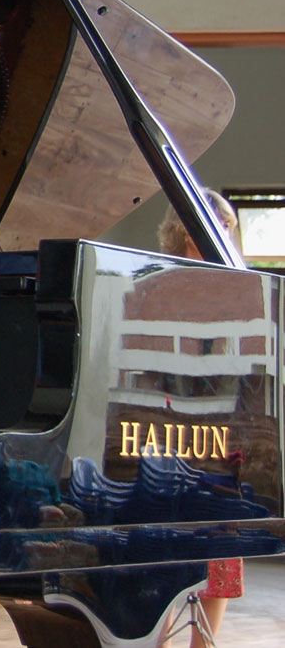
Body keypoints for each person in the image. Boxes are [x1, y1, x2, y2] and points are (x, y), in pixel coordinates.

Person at [158, 189, 246, 648]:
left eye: (229, 227)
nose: (224, 234)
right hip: (169, 429)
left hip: (223, 429)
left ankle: (205, 643)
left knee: (221, 548)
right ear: (183, 231)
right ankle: (155, 637)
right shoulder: (162, 282)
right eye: (215, 225)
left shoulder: (240, 286)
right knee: (163, 547)